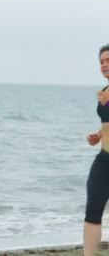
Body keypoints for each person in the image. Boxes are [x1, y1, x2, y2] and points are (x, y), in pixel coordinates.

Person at [84, 43, 109, 255]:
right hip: (104, 158)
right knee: (93, 209)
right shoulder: (103, 93)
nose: (104, 65)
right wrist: (98, 136)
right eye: (101, 62)